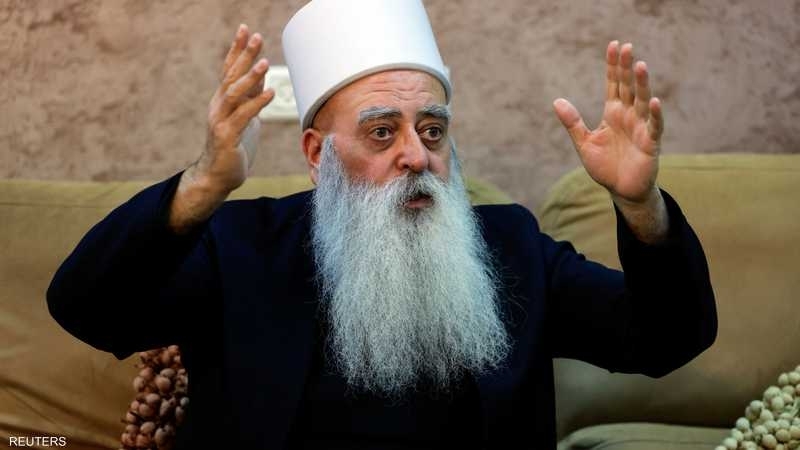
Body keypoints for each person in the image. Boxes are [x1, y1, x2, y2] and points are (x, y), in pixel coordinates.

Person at [46, 0, 717, 448]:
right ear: (318, 155)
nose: (416, 156)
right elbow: (87, 309)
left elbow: (668, 339)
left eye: (433, 130)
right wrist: (200, 186)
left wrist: (640, 205)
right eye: (381, 131)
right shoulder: (240, 246)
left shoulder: (512, 247)